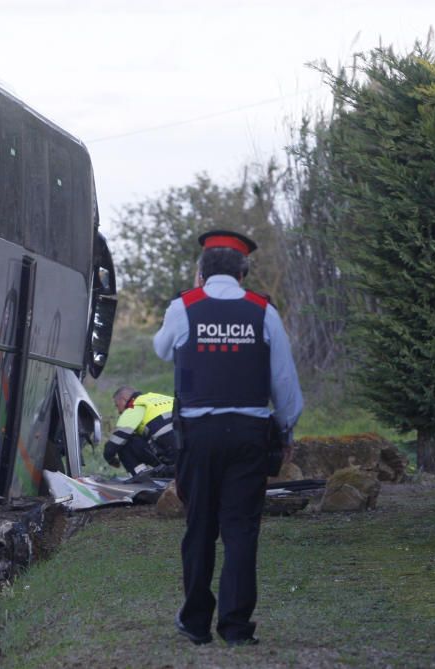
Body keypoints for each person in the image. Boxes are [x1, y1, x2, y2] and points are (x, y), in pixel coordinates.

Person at [153, 229, 303, 647]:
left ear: (201, 271)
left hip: (198, 436)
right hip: (250, 435)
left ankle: (196, 623)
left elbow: (162, 350)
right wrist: (286, 429)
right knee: (240, 530)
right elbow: (285, 382)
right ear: (243, 272)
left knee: (199, 526)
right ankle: (236, 628)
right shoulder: (264, 312)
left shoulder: (183, 307)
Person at [102, 386, 177, 478]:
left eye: (117, 405)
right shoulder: (163, 398)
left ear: (123, 400)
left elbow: (115, 443)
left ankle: (142, 478)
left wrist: (111, 459)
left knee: (125, 443)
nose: (118, 411)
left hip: (170, 455)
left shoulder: (134, 405)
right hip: (190, 452)